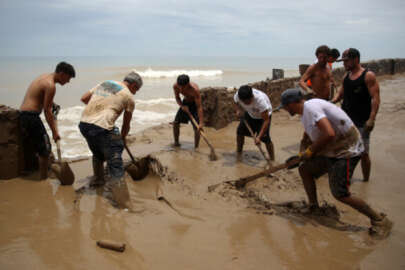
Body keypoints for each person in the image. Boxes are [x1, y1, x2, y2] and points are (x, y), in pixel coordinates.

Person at [278, 88, 392, 238]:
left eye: (285, 107)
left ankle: (379, 219)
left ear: (292, 103)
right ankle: (314, 207)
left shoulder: (311, 108)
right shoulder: (305, 113)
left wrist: (310, 152)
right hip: (333, 150)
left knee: (340, 193)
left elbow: (329, 133)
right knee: (305, 170)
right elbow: (308, 135)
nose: (285, 110)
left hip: (347, 151)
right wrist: (301, 155)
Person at [79, 71, 142, 209]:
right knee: (116, 163)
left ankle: (98, 180)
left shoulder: (106, 84)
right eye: (136, 89)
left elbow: (84, 98)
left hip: (84, 124)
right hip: (102, 127)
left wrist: (99, 108)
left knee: (97, 153)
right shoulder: (129, 97)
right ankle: (124, 203)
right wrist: (122, 139)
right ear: (133, 84)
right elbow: (126, 124)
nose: (135, 93)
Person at [19, 62, 75, 179]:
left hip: (24, 115)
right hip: (31, 117)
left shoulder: (44, 77)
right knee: (45, 150)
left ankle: (40, 173)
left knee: (38, 147)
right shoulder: (51, 86)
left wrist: (52, 104)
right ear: (62, 74)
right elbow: (47, 111)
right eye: (68, 78)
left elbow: (39, 98)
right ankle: (43, 179)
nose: (68, 82)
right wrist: (55, 132)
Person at [331, 48, 380, 182]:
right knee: (344, 151)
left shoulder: (368, 76)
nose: (344, 64)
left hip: (362, 122)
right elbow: (340, 94)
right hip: (346, 122)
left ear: (356, 59)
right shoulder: (346, 77)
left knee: (363, 153)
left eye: (346, 61)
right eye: (343, 61)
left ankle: (365, 180)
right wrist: (330, 103)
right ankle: (345, 177)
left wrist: (372, 119)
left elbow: (375, 98)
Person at [234, 85, 275, 161]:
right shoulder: (238, 96)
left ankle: (272, 159)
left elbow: (266, 120)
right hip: (250, 114)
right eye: (243, 102)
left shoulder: (260, 101)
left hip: (263, 117)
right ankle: (239, 152)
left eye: (247, 102)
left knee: (265, 138)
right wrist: (238, 110)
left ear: (252, 96)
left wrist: (259, 137)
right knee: (240, 131)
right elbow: (236, 102)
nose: (245, 104)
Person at [173, 74, 204, 148]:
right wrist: (182, 106)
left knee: (197, 128)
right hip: (185, 103)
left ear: (188, 84)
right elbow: (177, 98)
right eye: (179, 86)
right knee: (176, 123)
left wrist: (201, 123)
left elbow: (199, 107)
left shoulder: (194, 90)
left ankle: (196, 147)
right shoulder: (175, 86)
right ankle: (176, 143)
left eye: (183, 87)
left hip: (194, 105)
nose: (181, 88)